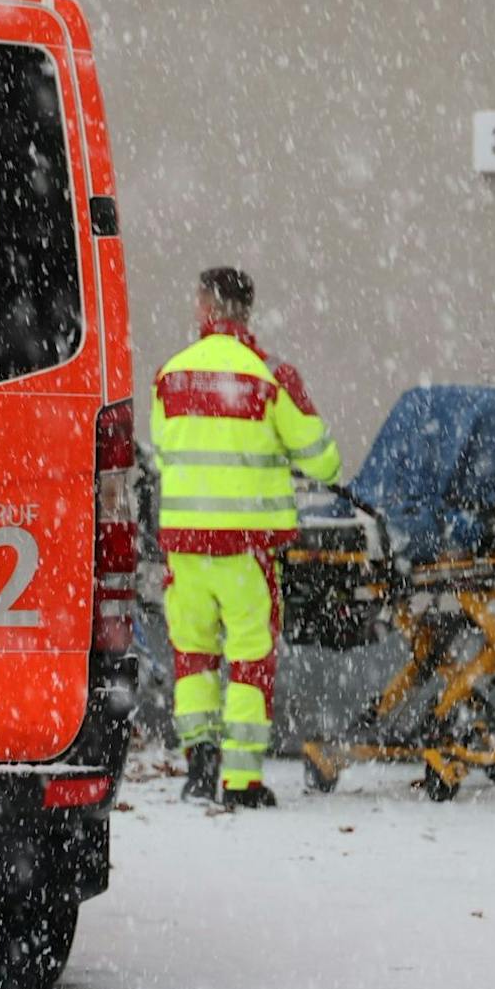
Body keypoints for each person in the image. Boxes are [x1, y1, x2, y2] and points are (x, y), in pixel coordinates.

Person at [151, 267, 341, 808]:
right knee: (250, 662)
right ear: (245, 309)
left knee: (192, 656)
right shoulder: (271, 375)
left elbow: (165, 449)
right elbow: (322, 458)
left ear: (205, 307)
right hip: (246, 552)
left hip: (184, 550)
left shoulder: (170, 375)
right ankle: (240, 781)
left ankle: (198, 766)